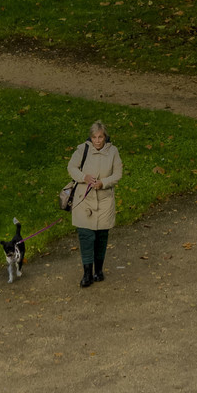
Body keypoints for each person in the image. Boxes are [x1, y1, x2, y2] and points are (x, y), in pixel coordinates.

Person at [66, 121, 122, 288]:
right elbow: (71, 167)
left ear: (105, 137)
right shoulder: (82, 149)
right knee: (86, 236)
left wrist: (103, 183)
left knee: (101, 237)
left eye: (100, 137)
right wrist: (84, 177)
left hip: (105, 200)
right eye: (94, 137)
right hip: (84, 200)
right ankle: (86, 274)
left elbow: (118, 174)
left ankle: (98, 271)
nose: (97, 140)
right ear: (90, 137)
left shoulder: (113, 151)